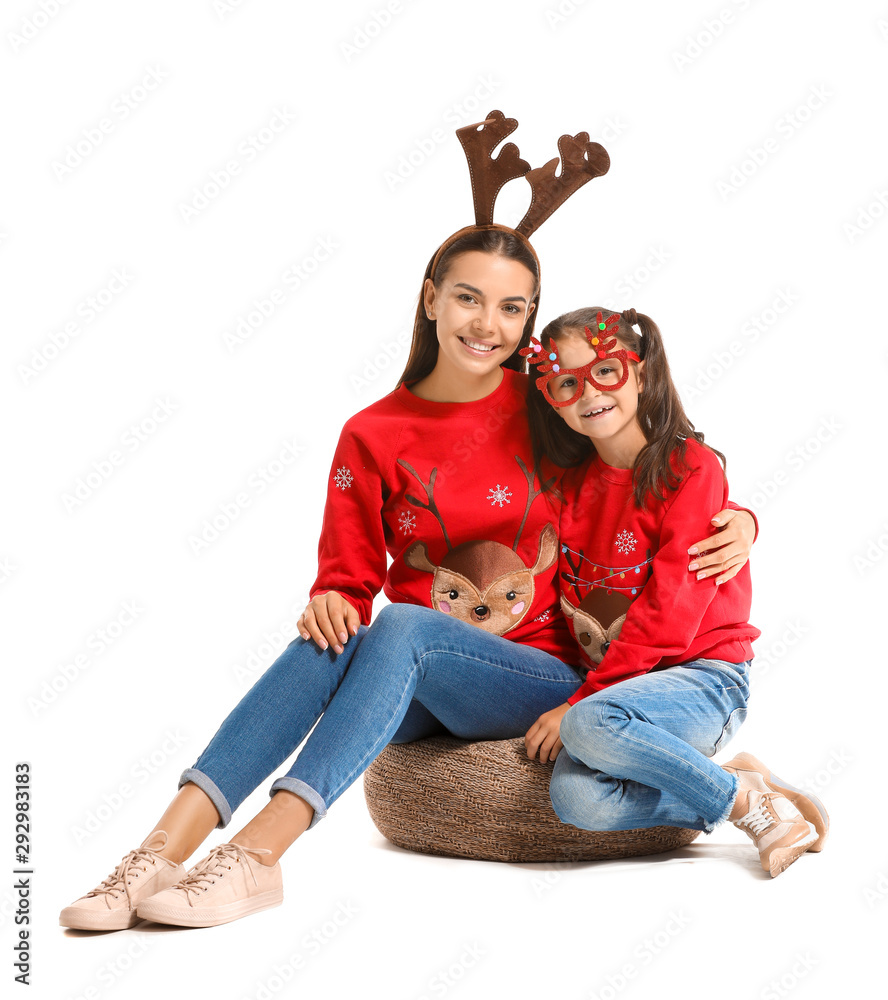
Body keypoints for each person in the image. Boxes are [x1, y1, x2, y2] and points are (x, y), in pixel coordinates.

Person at [60, 116, 758, 932]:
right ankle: (155, 852)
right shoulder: (372, 433)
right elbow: (349, 570)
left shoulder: (549, 407)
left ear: (529, 321)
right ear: (431, 298)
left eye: (512, 308)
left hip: (542, 673)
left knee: (402, 630)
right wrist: (331, 595)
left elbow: (645, 463)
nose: (486, 324)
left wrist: (739, 516)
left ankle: (257, 857)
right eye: (467, 297)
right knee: (339, 639)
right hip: (431, 675)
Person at [521, 307, 829, 877]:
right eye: (567, 382)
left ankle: (750, 810)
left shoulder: (691, 468)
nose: (589, 392)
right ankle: (733, 785)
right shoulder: (566, 487)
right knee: (576, 800)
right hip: (624, 688)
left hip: (704, 680)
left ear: (639, 373)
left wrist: (575, 704)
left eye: (606, 370)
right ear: (552, 398)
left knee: (588, 724)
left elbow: (670, 615)